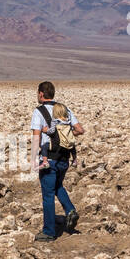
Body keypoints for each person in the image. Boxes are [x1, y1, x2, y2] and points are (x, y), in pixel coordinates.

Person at [30, 81, 84, 242]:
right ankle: (70, 211)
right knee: (57, 186)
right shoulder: (64, 109)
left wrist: (34, 159)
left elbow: (36, 136)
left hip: (49, 159)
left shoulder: (39, 111)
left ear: (41, 94)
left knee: (47, 195)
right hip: (64, 159)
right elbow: (80, 129)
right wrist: (65, 135)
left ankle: (49, 232)